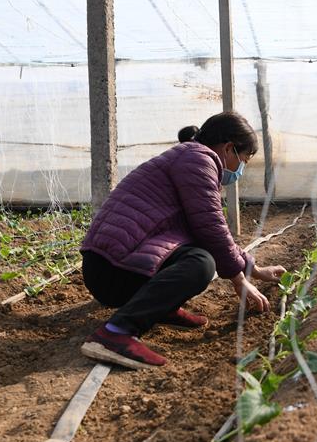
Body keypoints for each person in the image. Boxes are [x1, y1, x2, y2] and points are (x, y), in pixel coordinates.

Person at [79, 111, 284, 370]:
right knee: (201, 262)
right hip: (111, 271)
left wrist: (254, 268)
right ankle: (116, 332)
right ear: (229, 148)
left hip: (112, 265)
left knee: (199, 252)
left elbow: (207, 228)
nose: (239, 170)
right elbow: (211, 227)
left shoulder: (190, 157)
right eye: (242, 160)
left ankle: (161, 308)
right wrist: (240, 279)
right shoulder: (198, 160)